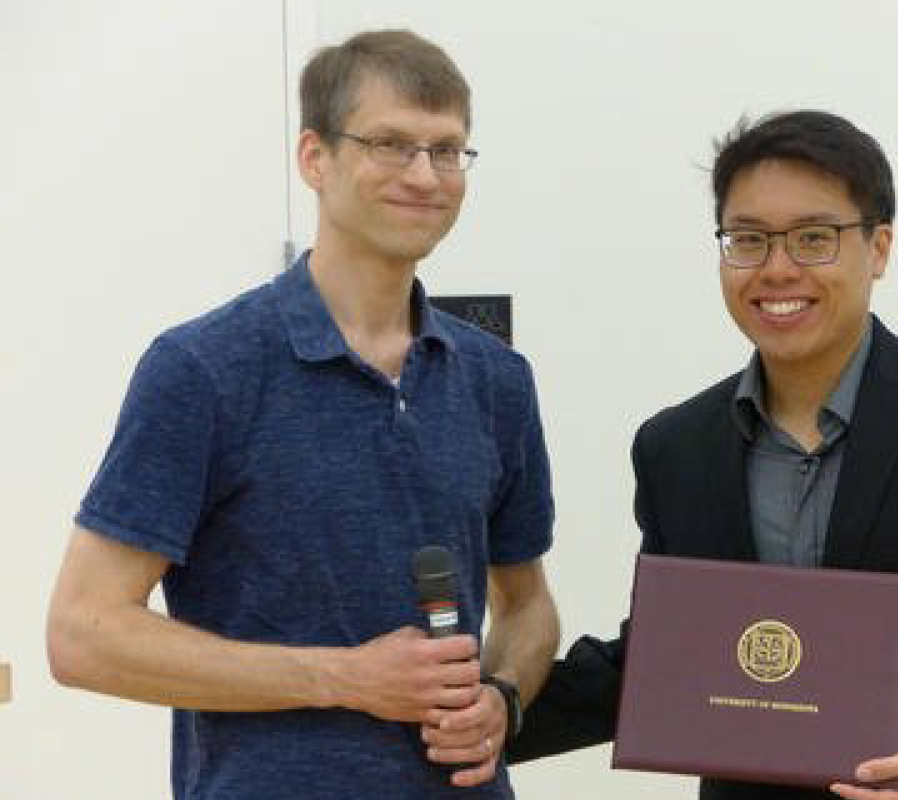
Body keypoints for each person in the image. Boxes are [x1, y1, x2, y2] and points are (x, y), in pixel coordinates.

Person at [507, 110, 898, 800]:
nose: (777, 269)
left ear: (879, 247)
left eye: (814, 238)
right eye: (748, 239)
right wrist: (484, 714)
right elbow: (675, 655)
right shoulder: (676, 446)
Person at [46, 30, 559, 800]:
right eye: (390, 144)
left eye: (447, 150)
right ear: (314, 158)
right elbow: (82, 635)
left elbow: (529, 606)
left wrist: (503, 696)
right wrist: (343, 678)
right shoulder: (203, 369)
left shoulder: (497, 380)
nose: (425, 175)